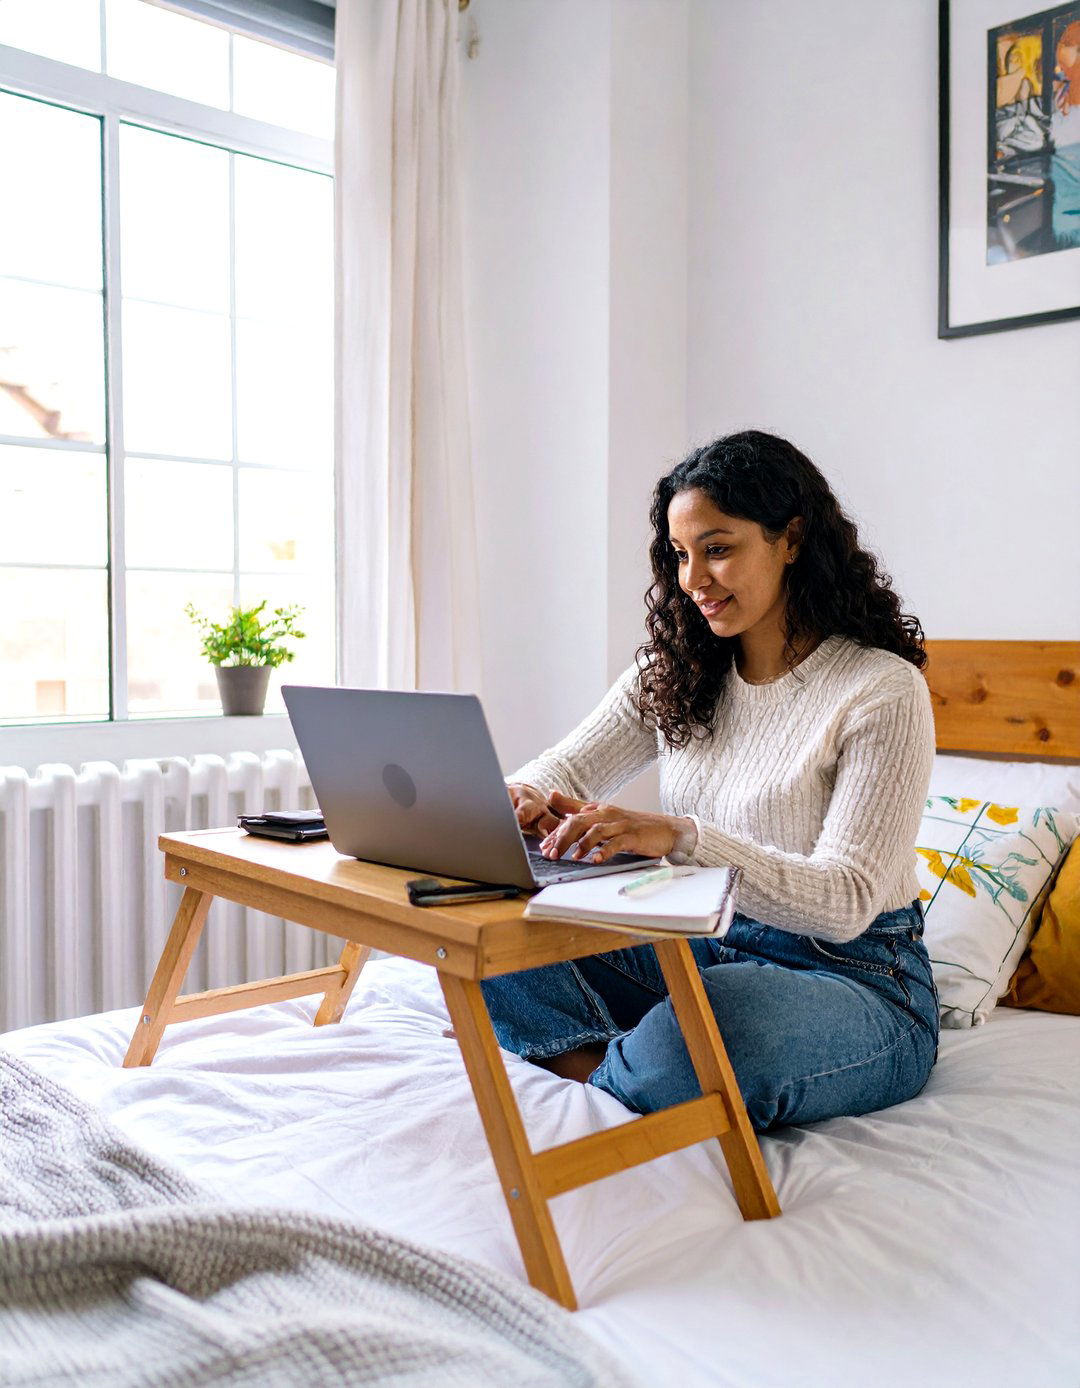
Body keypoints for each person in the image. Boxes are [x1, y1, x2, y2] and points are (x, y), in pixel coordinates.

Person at [483, 430, 939, 1132]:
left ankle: (613, 1067)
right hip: (702, 941)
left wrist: (682, 838)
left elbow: (847, 898)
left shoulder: (880, 689)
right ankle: (635, 1073)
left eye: (718, 549)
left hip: (857, 977)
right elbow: (564, 766)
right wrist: (527, 795)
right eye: (680, 553)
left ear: (791, 538)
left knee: (717, 1026)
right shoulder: (678, 671)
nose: (694, 579)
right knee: (494, 939)